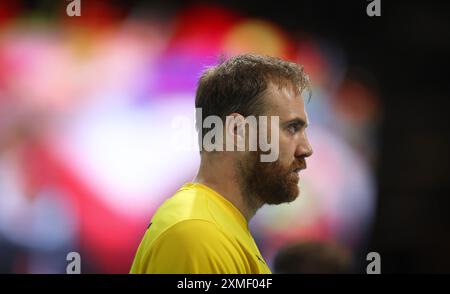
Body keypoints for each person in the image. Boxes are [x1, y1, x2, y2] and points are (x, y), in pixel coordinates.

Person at [130, 54, 313, 274]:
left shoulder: (218, 227)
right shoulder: (198, 235)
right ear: (237, 130)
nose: (306, 149)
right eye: (291, 128)